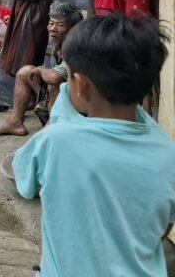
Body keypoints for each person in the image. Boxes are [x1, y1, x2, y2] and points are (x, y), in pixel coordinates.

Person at [12, 14, 175, 277]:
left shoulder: (55, 141)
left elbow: (26, 182)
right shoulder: (169, 155)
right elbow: (163, 227)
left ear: (81, 85)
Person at [0, 1, 83, 136]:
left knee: (53, 83)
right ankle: (15, 123)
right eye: (51, 23)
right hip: (65, 96)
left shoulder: (75, 46)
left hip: (79, 102)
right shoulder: (59, 45)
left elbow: (55, 77)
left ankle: (54, 128)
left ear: (72, 28)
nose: (52, 28)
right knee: (25, 72)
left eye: (60, 25)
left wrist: (40, 70)